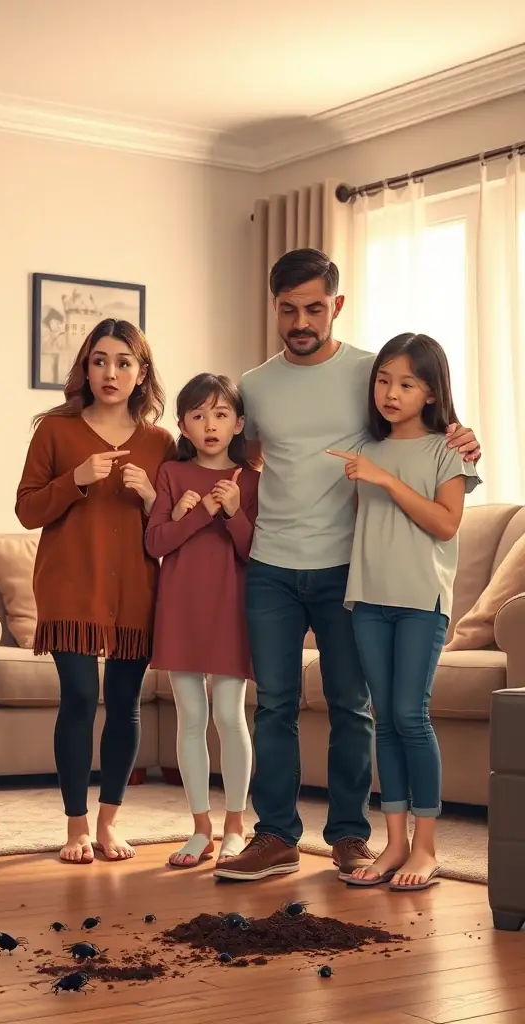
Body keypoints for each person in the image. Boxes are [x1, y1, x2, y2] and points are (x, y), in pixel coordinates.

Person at [213, 248, 481, 883]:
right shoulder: (254, 384)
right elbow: (245, 458)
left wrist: (464, 438)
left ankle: (351, 838)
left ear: (336, 305)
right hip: (272, 564)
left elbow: (420, 424)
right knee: (274, 703)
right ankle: (275, 835)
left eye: (313, 308)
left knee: (351, 706)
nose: (300, 320)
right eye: (287, 309)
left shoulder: (373, 375)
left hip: (348, 568)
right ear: (273, 308)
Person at [15, 318, 176, 865]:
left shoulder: (161, 443)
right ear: (86, 366)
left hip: (136, 589)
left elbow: (174, 526)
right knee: (81, 697)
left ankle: (109, 822)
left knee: (126, 703)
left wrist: (152, 496)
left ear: (141, 373)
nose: (111, 372)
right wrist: (76, 479)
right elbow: (27, 509)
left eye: (124, 362)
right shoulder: (55, 431)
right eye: (100, 360)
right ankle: (75, 827)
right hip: (70, 588)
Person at [329, 333, 479, 890]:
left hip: (422, 602)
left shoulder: (449, 449)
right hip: (368, 598)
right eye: (383, 380)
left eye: (407, 383)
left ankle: (427, 847)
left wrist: (386, 480)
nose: (391, 392)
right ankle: (393, 843)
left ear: (432, 393)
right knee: (384, 720)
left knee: (411, 716)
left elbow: (446, 523)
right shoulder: (364, 449)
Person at [145, 373, 259, 869]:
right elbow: (156, 544)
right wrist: (196, 513)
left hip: (231, 606)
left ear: (238, 422)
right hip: (181, 607)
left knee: (229, 715)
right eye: (197, 415)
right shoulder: (170, 474)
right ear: (183, 425)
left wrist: (232, 511)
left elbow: (254, 550)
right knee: (190, 716)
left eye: (219, 414)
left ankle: (236, 825)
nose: (209, 425)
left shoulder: (253, 480)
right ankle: (200, 828)